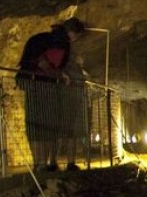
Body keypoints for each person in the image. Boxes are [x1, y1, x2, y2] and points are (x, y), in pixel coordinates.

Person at [17, 17, 87, 171]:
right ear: (72, 33)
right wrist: (58, 75)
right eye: (76, 36)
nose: (75, 40)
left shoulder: (44, 39)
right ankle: (40, 163)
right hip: (39, 84)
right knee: (41, 125)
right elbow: (43, 63)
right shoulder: (59, 42)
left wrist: (60, 74)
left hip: (38, 84)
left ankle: (40, 163)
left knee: (40, 125)